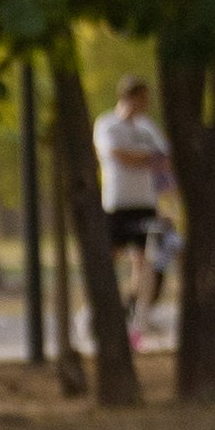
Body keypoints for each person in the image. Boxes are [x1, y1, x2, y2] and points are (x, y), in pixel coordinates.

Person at [94, 76, 173, 326]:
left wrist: (143, 159)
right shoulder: (108, 124)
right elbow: (119, 156)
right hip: (117, 203)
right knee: (111, 257)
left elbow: (165, 158)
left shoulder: (147, 128)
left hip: (145, 203)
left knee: (144, 260)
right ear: (129, 97)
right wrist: (148, 159)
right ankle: (101, 311)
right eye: (141, 98)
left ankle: (136, 311)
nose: (145, 104)